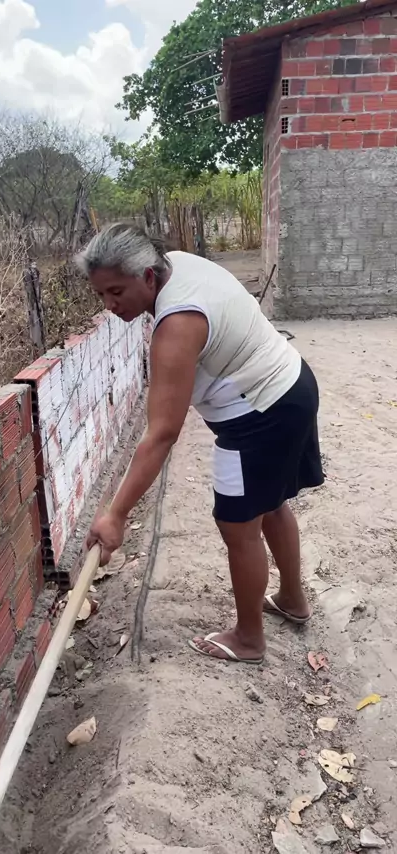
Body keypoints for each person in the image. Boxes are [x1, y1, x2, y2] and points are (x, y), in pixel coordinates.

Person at [80, 223, 324, 665]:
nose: (110, 305)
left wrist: (116, 515)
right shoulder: (178, 263)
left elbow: (162, 433)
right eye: (101, 294)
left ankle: (249, 639)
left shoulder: (176, 324)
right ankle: (292, 598)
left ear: (147, 276)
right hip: (292, 385)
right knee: (271, 504)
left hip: (258, 417)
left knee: (238, 526)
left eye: (116, 291)